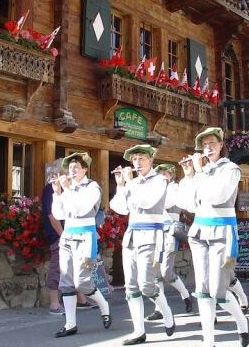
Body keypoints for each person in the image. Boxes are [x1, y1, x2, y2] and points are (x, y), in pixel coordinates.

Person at [177, 127, 249, 347]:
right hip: (199, 230)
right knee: (202, 289)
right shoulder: (201, 171)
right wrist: (189, 177)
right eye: (204, 145)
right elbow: (187, 204)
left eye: (212, 143)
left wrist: (199, 173)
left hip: (222, 231)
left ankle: (241, 322)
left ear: (221, 145)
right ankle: (209, 341)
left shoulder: (231, 169)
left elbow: (217, 196)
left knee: (218, 290)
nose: (207, 148)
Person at [110, 145, 175, 345]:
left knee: (147, 285)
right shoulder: (133, 182)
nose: (137, 162)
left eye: (141, 158)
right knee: (131, 286)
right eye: (135, 159)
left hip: (151, 235)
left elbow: (146, 201)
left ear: (151, 160)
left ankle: (167, 313)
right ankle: (139, 331)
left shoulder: (160, 181)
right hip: (132, 235)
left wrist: (130, 182)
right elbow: (119, 208)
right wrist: (121, 186)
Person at [50, 152, 111, 338]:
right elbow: (59, 214)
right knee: (66, 282)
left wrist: (67, 190)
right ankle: (70, 324)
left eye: (77, 167)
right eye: (70, 167)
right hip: (67, 237)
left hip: (86, 238)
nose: (72, 170)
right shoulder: (68, 187)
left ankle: (104, 305)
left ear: (85, 169)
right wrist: (57, 193)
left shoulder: (92, 187)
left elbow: (82, 208)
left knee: (83, 281)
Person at [41, 159, 96, 316]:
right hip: (60, 235)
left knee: (75, 267)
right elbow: (52, 215)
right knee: (58, 267)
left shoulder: (70, 188)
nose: (69, 174)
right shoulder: (50, 189)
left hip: (73, 233)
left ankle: (81, 300)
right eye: (66, 171)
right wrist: (62, 235)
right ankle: (54, 304)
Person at [145, 163, 193, 321]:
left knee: (166, 271)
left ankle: (186, 295)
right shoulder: (156, 189)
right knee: (156, 271)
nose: (163, 176)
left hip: (170, 231)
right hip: (155, 231)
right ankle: (159, 308)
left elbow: (167, 202)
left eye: (166, 173)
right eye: (160, 174)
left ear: (171, 175)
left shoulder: (174, 188)